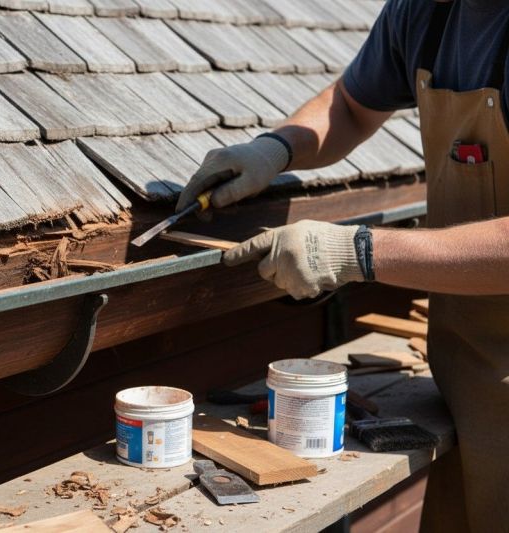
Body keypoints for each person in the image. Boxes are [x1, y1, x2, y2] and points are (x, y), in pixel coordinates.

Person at [176, 1, 509, 530]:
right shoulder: (425, 13)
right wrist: (277, 149)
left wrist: (355, 251)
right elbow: (351, 106)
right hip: (467, 383)